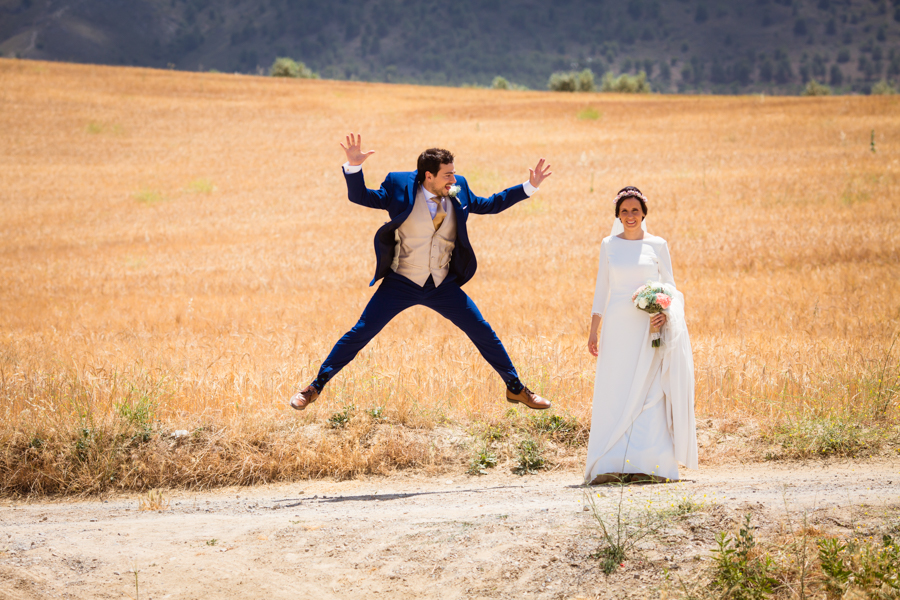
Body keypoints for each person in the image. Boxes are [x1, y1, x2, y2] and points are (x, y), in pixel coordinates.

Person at [290, 133, 553, 411]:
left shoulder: (458, 187)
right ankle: (314, 387)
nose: (454, 179)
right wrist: (354, 167)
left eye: (454, 173)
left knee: (482, 331)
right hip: (401, 281)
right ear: (429, 176)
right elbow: (361, 197)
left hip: (442, 283)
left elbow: (490, 204)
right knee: (360, 333)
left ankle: (516, 389)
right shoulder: (398, 185)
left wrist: (530, 186)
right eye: (447, 175)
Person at [585, 186, 698, 484]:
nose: (630, 215)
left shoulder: (658, 245)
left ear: (644, 213)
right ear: (618, 216)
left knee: (650, 393)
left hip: (650, 329)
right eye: (624, 211)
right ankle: (610, 464)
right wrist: (593, 331)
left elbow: (671, 288)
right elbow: (602, 290)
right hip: (618, 329)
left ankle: (651, 465)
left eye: (635, 210)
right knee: (616, 391)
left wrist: (665, 312)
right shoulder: (609, 244)